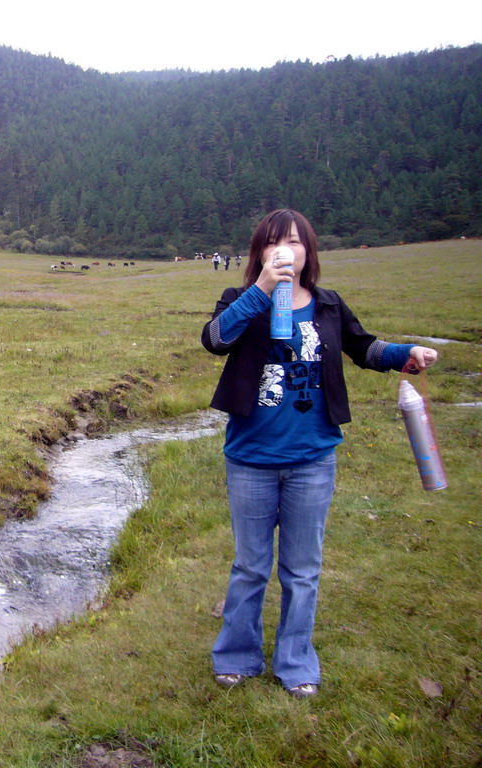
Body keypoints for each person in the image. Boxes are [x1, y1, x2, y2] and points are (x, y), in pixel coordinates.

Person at [200, 209, 438, 699]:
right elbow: (215, 340)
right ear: (259, 252)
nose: (285, 250)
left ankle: (295, 661)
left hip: (313, 458)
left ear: (309, 250)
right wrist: (262, 289)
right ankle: (238, 656)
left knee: (302, 569)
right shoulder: (239, 299)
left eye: (294, 242)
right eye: (273, 243)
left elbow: (364, 348)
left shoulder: (328, 305)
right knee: (250, 565)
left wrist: (408, 352)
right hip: (250, 458)